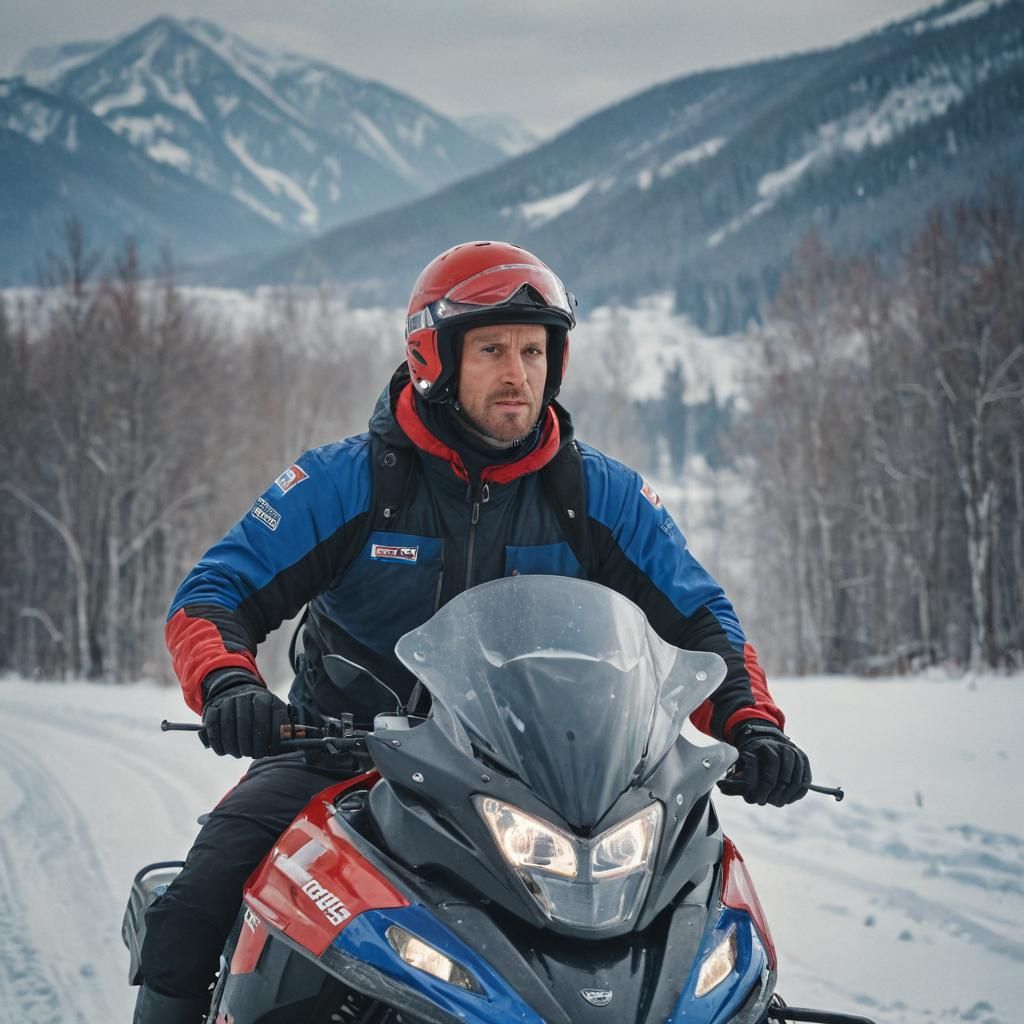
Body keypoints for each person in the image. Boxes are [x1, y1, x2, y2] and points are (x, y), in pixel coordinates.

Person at [133, 240, 812, 1022]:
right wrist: (231, 686)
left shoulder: (595, 495)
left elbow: (704, 621)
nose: (518, 373)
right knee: (190, 911)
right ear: (434, 357)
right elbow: (213, 594)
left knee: (702, 945)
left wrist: (751, 726)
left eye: (534, 350)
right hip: (342, 753)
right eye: (492, 350)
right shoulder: (351, 480)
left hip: (546, 791)